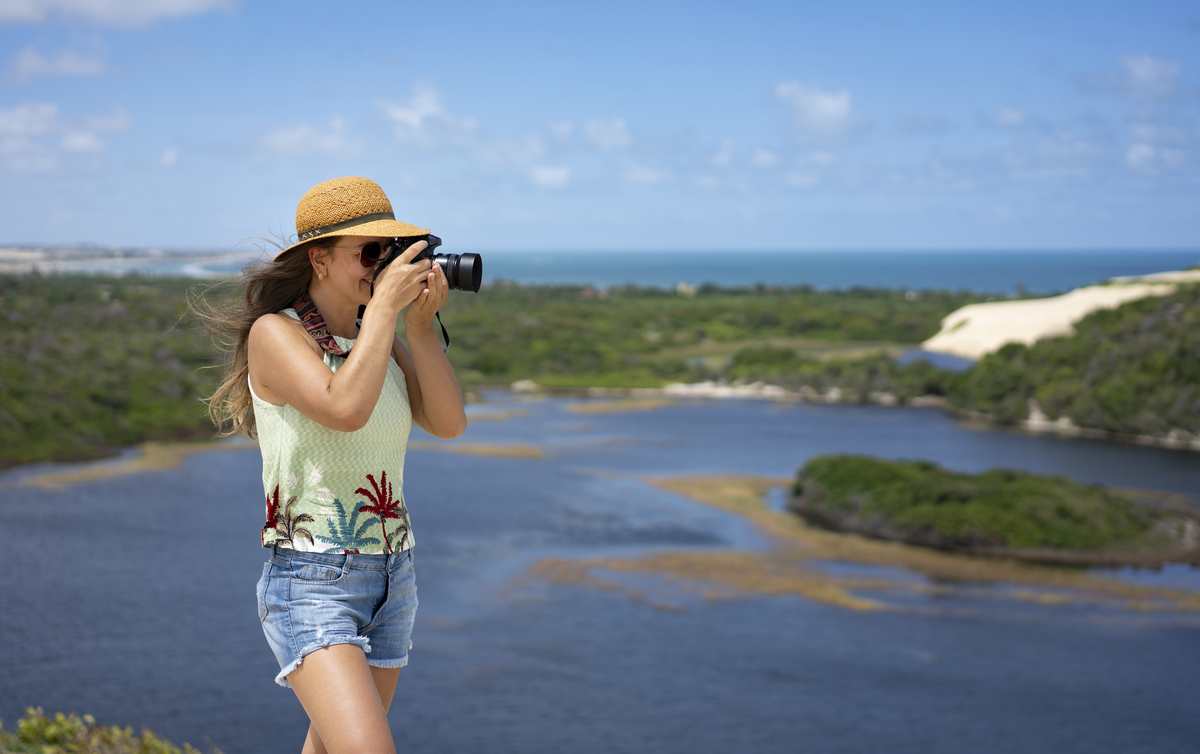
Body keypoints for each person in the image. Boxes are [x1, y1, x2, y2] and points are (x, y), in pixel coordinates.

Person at [204, 176, 467, 754]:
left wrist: (418, 329)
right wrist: (382, 319)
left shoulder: (382, 344)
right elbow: (343, 409)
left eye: (392, 252)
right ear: (318, 260)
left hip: (393, 575)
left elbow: (449, 423)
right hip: (312, 580)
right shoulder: (276, 335)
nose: (384, 266)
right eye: (369, 253)